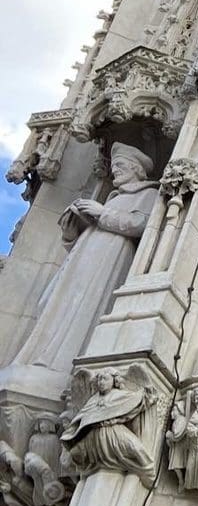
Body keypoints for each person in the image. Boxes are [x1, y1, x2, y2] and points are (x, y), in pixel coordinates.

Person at [11, 144, 159, 374]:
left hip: (110, 258)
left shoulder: (148, 194)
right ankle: (42, 357)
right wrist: (73, 226)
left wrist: (101, 213)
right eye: (115, 167)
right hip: (84, 260)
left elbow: (142, 225)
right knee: (59, 302)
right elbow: (85, 237)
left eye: (121, 166)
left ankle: (61, 364)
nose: (115, 171)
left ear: (137, 170)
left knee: (85, 306)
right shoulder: (113, 197)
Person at [61, 370, 155, 480]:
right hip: (92, 437)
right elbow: (82, 418)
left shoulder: (120, 395)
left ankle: (147, 473)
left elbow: (135, 401)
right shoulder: (93, 399)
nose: (101, 382)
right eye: (99, 379)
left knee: (135, 449)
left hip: (114, 433)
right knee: (74, 454)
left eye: (105, 379)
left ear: (114, 381)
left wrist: (146, 394)